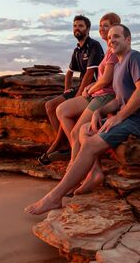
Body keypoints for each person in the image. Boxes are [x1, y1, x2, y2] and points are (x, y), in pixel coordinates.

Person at [26, 24, 140, 215]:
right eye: (110, 37)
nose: (112, 40)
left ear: (128, 40)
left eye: (117, 36)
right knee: (84, 129)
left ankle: (54, 198)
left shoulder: (135, 58)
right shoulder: (120, 65)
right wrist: (100, 111)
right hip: (129, 117)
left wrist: (119, 117)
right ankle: (91, 173)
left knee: (90, 144)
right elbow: (120, 100)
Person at [52, 12, 121, 163]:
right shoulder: (108, 49)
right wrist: (89, 87)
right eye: (101, 26)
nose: (102, 29)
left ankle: (76, 166)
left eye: (106, 26)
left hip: (105, 95)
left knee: (77, 131)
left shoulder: (111, 50)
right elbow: (74, 73)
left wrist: (89, 88)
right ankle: (69, 147)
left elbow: (105, 79)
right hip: (96, 92)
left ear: (115, 27)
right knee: (61, 110)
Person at [38, 15, 105, 164]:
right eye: (75, 26)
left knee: (64, 109)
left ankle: (62, 145)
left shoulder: (93, 45)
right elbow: (69, 73)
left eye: (81, 26)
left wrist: (78, 95)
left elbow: (89, 73)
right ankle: (62, 143)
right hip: (80, 86)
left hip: (93, 87)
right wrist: (66, 91)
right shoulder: (77, 50)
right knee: (50, 106)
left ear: (87, 29)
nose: (77, 29)